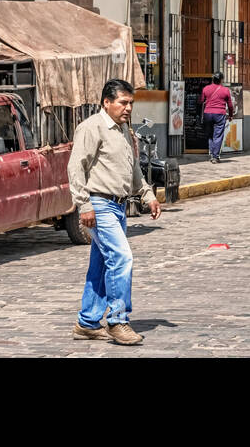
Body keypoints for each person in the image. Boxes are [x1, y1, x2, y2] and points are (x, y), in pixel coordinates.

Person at [68, 79, 161, 346]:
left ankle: (87, 322)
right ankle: (118, 320)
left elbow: (132, 169)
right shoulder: (91, 128)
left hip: (119, 206)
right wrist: (84, 205)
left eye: (131, 103)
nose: (128, 108)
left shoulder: (123, 129)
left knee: (100, 265)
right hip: (99, 205)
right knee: (121, 258)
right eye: (123, 102)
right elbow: (76, 168)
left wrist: (147, 194)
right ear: (106, 102)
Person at [200, 73, 234, 164]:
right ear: (221, 80)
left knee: (210, 135)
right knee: (218, 135)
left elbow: (201, 101)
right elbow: (230, 105)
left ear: (212, 79)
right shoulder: (225, 90)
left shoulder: (206, 89)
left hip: (207, 113)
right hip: (219, 114)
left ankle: (211, 153)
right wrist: (230, 115)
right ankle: (215, 156)